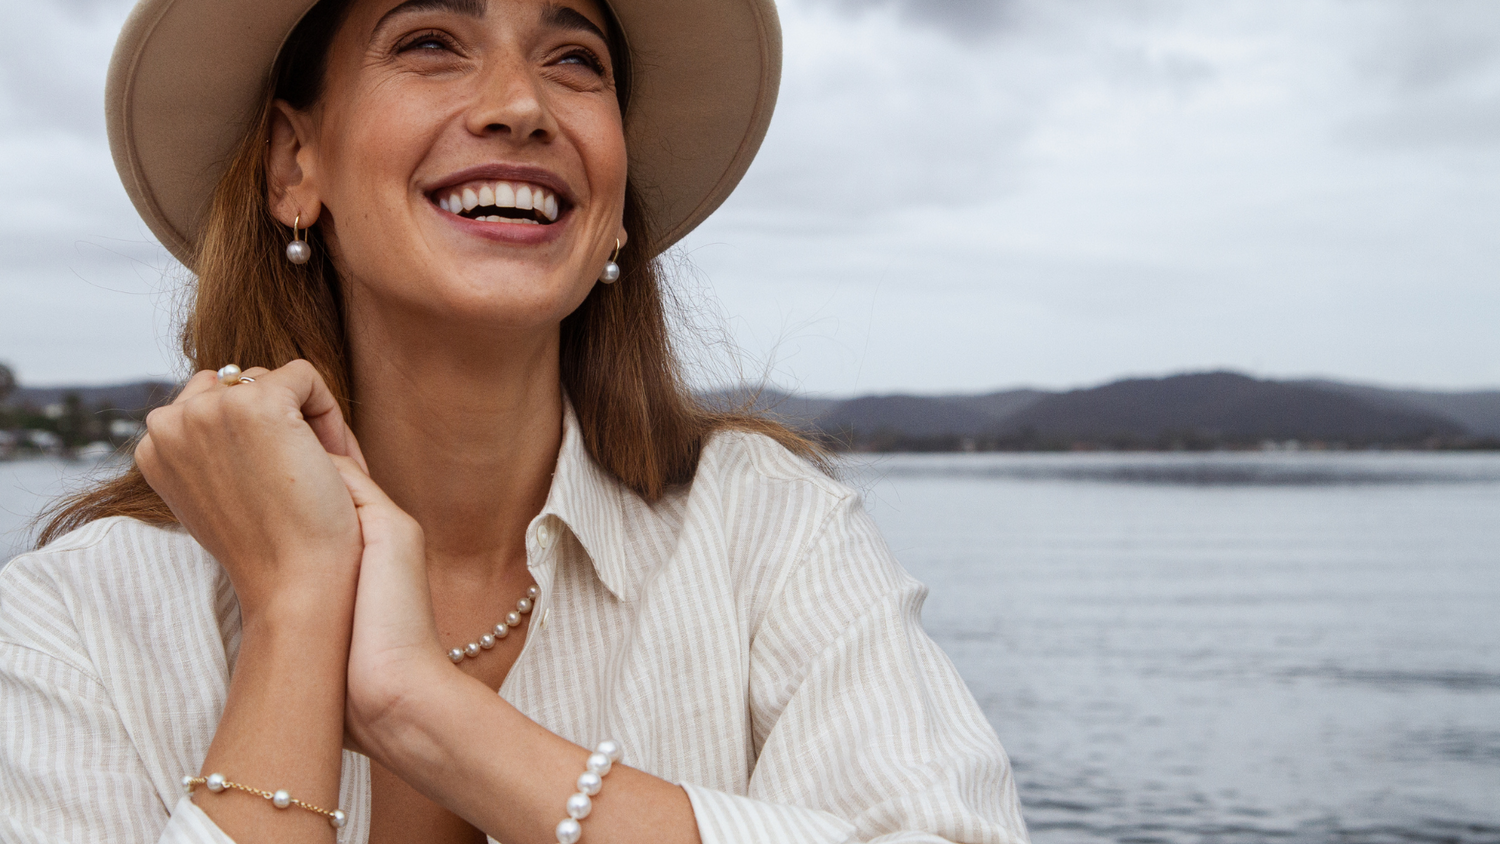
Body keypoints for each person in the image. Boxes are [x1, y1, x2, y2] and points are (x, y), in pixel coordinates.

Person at [0, 0, 1030, 841]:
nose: (520, 105)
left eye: (574, 59)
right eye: (431, 43)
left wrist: (424, 711)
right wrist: (295, 613)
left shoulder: (770, 532)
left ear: (618, 202)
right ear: (291, 165)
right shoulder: (75, 621)